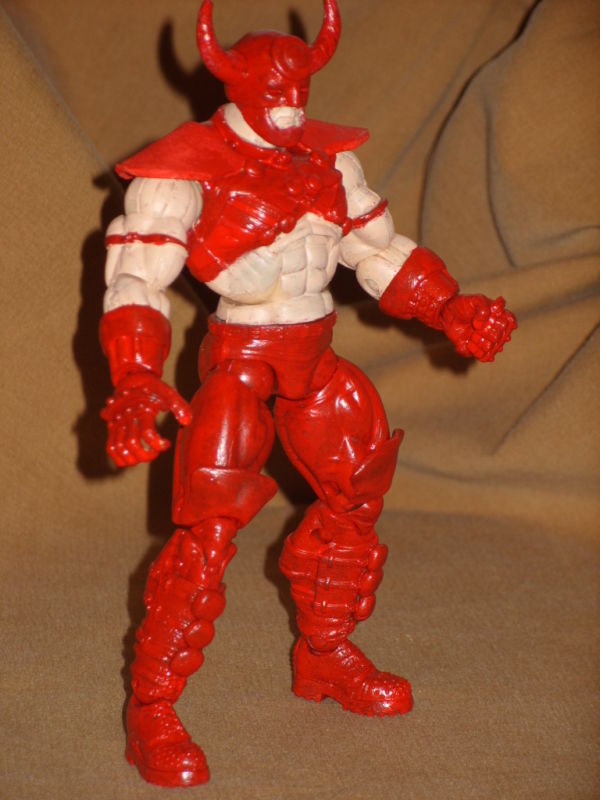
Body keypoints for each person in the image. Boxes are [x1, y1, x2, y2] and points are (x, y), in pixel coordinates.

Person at [99, 0, 516, 787]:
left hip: (314, 355)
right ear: (238, 89)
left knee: (355, 495)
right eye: (275, 93)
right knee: (206, 531)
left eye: (301, 92)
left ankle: (325, 655)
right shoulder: (184, 168)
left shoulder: (329, 162)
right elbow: (136, 274)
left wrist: (449, 307)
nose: (291, 106)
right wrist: (136, 373)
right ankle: (151, 708)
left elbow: (379, 251)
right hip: (240, 362)